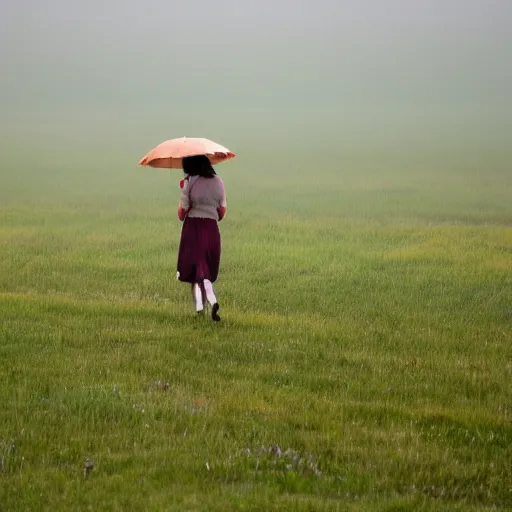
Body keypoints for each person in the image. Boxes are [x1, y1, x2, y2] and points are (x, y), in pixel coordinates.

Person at [176, 155, 227, 321]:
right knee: (205, 270)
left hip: (193, 229)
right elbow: (222, 211)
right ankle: (210, 300)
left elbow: (181, 213)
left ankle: (200, 308)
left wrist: (184, 192)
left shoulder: (188, 182)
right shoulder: (218, 181)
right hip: (211, 229)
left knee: (196, 272)